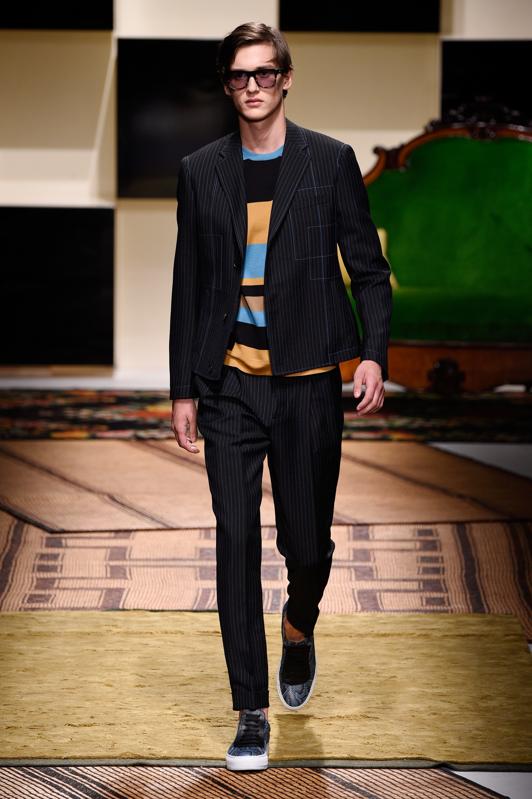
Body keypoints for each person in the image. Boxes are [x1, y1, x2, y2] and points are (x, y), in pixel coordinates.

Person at [169, 21, 392, 771]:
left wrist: (372, 354)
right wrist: (182, 388)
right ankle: (251, 711)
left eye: (265, 72)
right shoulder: (201, 170)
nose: (254, 86)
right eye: (240, 75)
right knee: (234, 541)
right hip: (229, 386)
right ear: (228, 85)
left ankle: (299, 625)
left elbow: (368, 270)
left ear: (286, 78)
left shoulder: (329, 162)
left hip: (306, 385)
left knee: (308, 544)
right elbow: (189, 284)